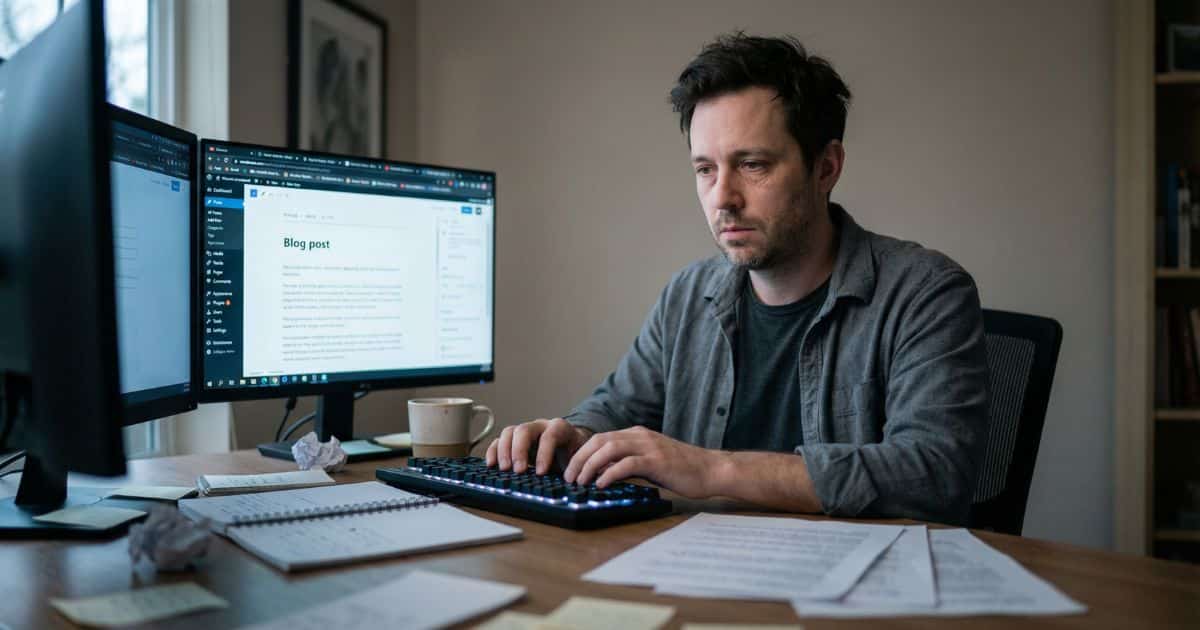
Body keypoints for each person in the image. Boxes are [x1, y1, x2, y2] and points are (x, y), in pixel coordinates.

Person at [485, 33, 989, 525]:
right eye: (705, 169)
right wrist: (571, 435)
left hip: (856, 590)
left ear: (826, 167)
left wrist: (712, 469)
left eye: (752, 165)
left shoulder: (926, 292)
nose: (723, 198)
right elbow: (616, 408)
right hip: (696, 572)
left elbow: (934, 475)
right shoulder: (687, 296)